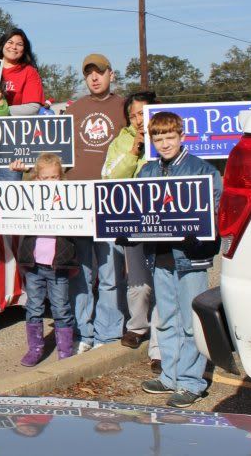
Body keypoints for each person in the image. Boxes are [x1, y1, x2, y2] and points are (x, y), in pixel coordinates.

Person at [137, 111, 222, 408]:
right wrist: (129, 233)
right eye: (158, 138)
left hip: (190, 257)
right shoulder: (147, 171)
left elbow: (215, 214)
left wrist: (202, 239)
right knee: (167, 319)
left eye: (170, 137)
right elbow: (137, 210)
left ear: (181, 136)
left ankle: (190, 382)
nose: (164, 143)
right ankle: (169, 376)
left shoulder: (203, 170)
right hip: (160, 255)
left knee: (191, 322)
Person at [65, 53, 127, 353]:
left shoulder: (124, 107)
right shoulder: (74, 109)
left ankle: (108, 333)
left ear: (111, 75)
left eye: (99, 72)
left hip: (112, 200)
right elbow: (52, 150)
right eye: (89, 73)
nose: (94, 77)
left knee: (111, 272)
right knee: (81, 273)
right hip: (77, 200)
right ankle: (83, 332)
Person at [102, 90, 162, 373]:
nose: (139, 119)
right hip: (134, 220)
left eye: (143, 113)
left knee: (164, 284)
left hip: (165, 221)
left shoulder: (166, 137)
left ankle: (160, 349)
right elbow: (109, 176)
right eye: (133, 115)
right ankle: (137, 326)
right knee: (138, 280)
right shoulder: (121, 142)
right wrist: (134, 149)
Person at [11, 154, 77, 366]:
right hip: (34, 265)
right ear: (37, 178)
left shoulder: (70, 198)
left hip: (59, 265)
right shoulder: (28, 198)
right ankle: (35, 349)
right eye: (45, 177)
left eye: (54, 177)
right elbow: (9, 203)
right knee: (34, 307)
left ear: (61, 177)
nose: (50, 182)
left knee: (61, 308)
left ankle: (65, 352)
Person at [0, 28, 45, 183]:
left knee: (7, 185)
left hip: (12, 138)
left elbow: (33, 107)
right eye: (10, 42)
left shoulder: (29, 71)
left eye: (19, 44)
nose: (13, 47)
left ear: (24, 49)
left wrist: (2, 111)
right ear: (2, 44)